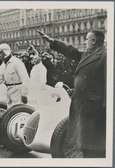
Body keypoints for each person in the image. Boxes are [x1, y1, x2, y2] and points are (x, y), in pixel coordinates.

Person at [39, 30, 106, 158]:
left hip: (96, 111)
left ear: (94, 41)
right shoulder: (89, 54)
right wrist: (52, 42)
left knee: (96, 150)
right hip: (85, 109)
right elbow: (71, 51)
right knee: (87, 148)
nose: (85, 42)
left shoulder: (105, 55)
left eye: (87, 39)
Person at [0, 43, 29, 107]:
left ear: (5, 52)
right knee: (10, 112)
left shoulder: (17, 63)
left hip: (17, 92)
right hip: (9, 92)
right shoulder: (4, 65)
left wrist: (24, 95)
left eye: (0, 53)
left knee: (17, 112)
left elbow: (25, 79)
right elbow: (0, 79)